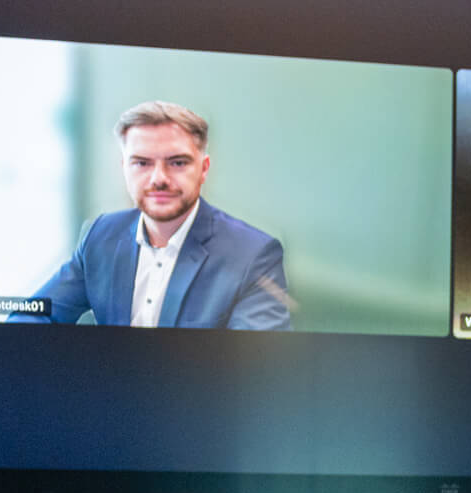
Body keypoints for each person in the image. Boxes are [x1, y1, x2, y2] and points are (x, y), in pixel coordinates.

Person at [17, 101, 291, 330]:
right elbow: (31, 315)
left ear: (204, 169)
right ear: (125, 168)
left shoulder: (253, 254)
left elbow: (256, 369)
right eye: (142, 163)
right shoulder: (100, 235)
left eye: (178, 162)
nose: (159, 178)